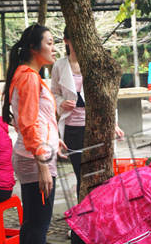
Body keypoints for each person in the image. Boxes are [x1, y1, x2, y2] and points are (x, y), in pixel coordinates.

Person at [2, 24, 68, 244]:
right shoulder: (28, 78)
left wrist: (55, 141)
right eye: (50, 43)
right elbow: (28, 124)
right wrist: (43, 161)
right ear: (34, 48)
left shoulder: (25, 75)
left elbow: (36, 119)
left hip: (32, 154)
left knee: (31, 223)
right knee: (38, 226)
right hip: (35, 159)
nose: (54, 48)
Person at [51, 30, 122, 198]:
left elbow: (108, 97)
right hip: (72, 128)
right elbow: (53, 93)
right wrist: (61, 103)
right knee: (81, 174)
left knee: (99, 174)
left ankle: (100, 214)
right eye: (74, 38)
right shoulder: (60, 65)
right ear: (66, 40)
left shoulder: (95, 64)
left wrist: (114, 124)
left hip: (96, 126)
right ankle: (82, 214)